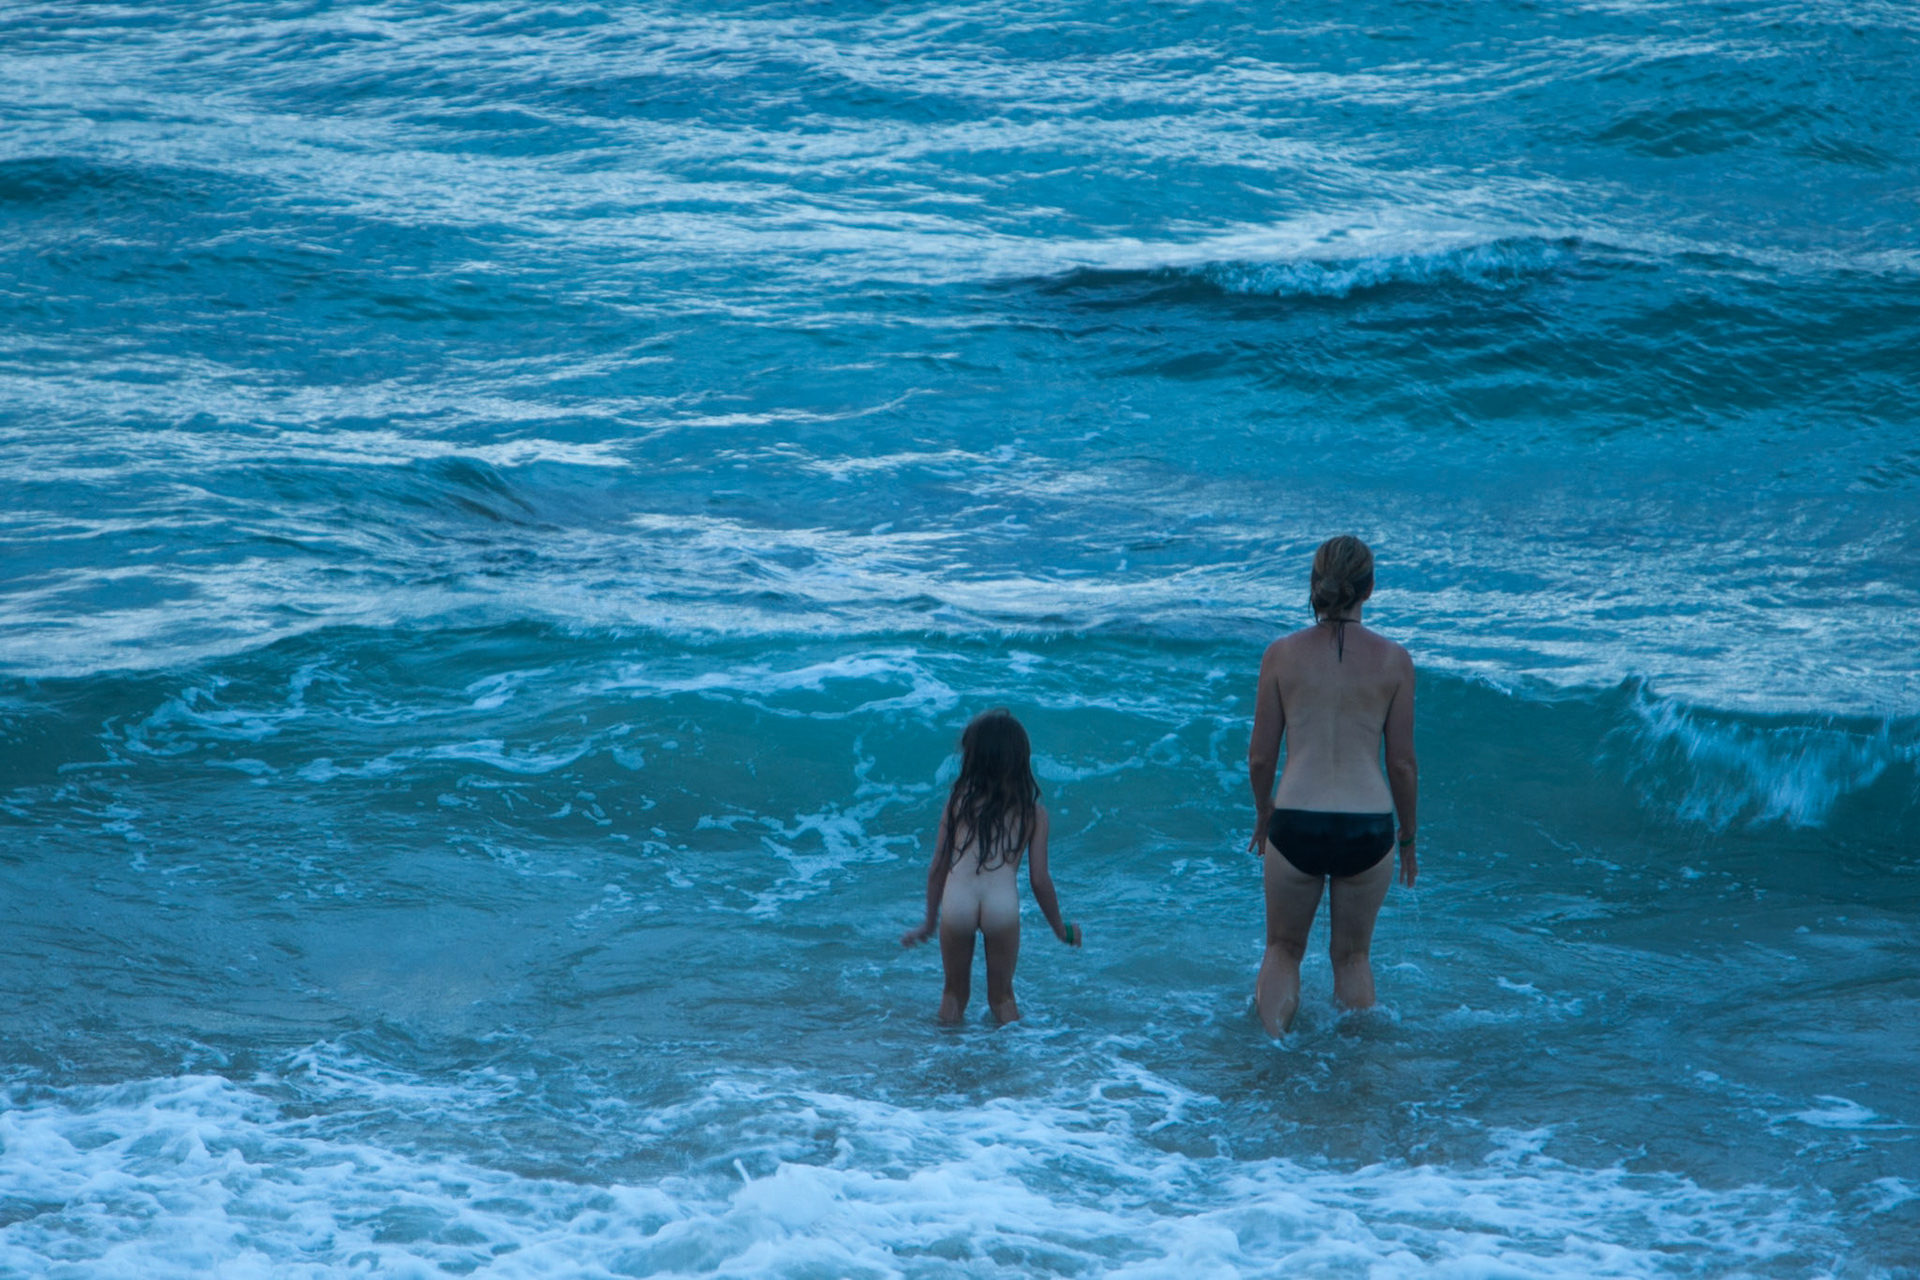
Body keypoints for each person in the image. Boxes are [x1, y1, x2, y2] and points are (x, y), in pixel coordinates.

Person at [1246, 535, 1418, 1036]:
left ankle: (1273, 1049)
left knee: (1283, 949)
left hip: (1296, 818)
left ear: (1314, 584)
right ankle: (1355, 1075)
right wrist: (1407, 837)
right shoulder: (1394, 661)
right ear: (1370, 588)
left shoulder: (1281, 656)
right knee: (1352, 958)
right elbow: (1403, 764)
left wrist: (1263, 813)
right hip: (1368, 826)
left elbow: (1260, 756)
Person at [902, 709, 1081, 1023]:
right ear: (1020, 759)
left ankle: (943, 1062)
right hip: (1002, 907)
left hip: (958, 904)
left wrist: (929, 922)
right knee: (1002, 997)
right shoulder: (1033, 813)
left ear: (973, 758)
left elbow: (937, 867)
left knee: (953, 994)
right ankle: (1012, 1067)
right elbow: (1040, 879)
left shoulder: (958, 802)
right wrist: (1059, 927)